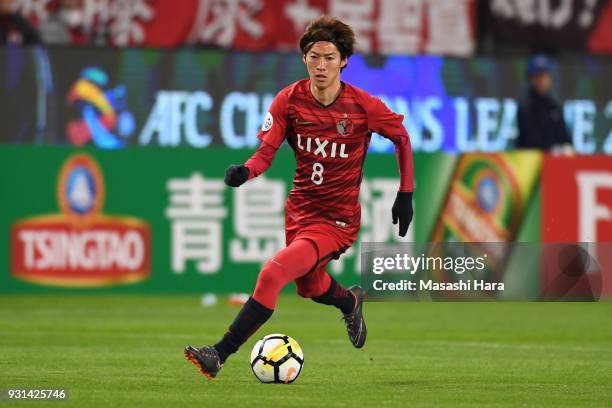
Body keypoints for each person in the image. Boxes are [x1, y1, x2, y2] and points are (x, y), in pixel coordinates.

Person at [184, 15, 414, 380]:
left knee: (273, 274)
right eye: (313, 57)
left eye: (328, 57)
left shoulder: (363, 106)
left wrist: (406, 193)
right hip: (300, 213)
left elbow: (401, 137)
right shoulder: (288, 101)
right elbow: (266, 150)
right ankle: (350, 301)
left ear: (343, 62)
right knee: (309, 286)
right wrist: (247, 171)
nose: (320, 65)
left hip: (336, 221)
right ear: (304, 59)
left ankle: (219, 353)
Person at [516, 54, 574, 154]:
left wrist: (565, 147)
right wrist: (551, 149)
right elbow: (530, 140)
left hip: (555, 161)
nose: (542, 80)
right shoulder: (525, 107)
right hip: (529, 162)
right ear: (531, 78)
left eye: (545, 75)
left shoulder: (554, 106)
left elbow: (565, 137)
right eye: (538, 76)